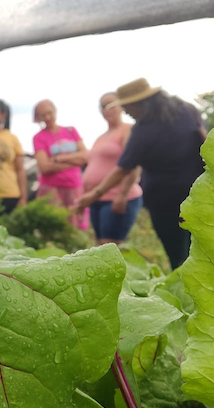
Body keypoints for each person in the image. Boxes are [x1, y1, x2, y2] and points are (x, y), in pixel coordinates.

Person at [75, 79, 207, 269]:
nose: (126, 111)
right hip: (198, 193)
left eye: (127, 106)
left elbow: (124, 168)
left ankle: (185, 289)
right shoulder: (186, 110)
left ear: (141, 103)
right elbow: (204, 138)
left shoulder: (142, 130)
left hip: (164, 202)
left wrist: (95, 193)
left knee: (177, 254)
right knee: (200, 247)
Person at [83, 93, 143, 245]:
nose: (107, 109)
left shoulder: (128, 130)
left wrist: (122, 195)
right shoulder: (100, 137)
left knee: (110, 247)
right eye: (103, 106)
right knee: (100, 247)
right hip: (97, 199)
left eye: (111, 104)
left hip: (117, 197)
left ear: (121, 106)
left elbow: (133, 164)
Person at [33, 100, 88, 230]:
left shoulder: (70, 131)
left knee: (75, 226)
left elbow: (85, 157)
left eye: (49, 113)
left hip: (74, 186)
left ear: (55, 111)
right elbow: (44, 167)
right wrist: (74, 161)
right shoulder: (38, 137)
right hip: (51, 190)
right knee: (53, 226)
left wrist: (58, 159)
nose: (47, 118)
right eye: (42, 115)